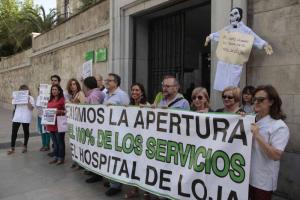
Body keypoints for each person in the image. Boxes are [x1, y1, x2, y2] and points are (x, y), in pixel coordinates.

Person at [249, 85, 290, 200]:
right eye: (254, 99)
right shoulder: (250, 120)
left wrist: (258, 136)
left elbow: (276, 155)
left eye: (261, 100)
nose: (256, 102)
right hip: (245, 177)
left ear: (271, 102)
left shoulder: (279, 126)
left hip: (262, 181)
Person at [103, 73, 130, 196]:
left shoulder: (122, 95)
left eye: (109, 80)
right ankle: (111, 180)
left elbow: (128, 113)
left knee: (116, 157)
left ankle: (116, 185)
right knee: (109, 156)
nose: (106, 82)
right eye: (106, 80)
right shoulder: (106, 94)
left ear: (116, 83)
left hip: (118, 132)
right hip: (108, 131)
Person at [125, 83, 150, 199]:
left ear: (142, 92)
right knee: (133, 166)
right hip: (132, 141)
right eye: (133, 90)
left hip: (144, 142)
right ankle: (134, 189)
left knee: (144, 167)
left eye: (137, 90)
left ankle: (146, 192)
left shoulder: (147, 105)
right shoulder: (129, 105)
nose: (134, 92)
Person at [81, 76, 105, 183]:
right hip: (95, 129)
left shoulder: (94, 95)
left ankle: (97, 174)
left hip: (95, 130)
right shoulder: (97, 93)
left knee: (96, 151)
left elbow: (94, 114)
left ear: (86, 86)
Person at [8, 85, 35, 155]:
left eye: (24, 90)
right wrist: (14, 99)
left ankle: (25, 146)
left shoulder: (31, 98)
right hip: (17, 117)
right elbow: (15, 106)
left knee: (26, 132)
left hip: (25, 117)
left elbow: (31, 108)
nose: (22, 91)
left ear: (27, 91)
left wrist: (28, 101)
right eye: (21, 90)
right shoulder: (17, 96)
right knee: (14, 132)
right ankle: (12, 148)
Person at [47, 85, 66, 165]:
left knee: (60, 142)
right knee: (54, 142)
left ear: (59, 91)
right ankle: (55, 156)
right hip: (51, 124)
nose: (54, 91)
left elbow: (66, 111)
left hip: (59, 124)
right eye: (52, 89)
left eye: (55, 89)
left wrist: (60, 111)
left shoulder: (62, 100)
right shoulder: (50, 100)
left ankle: (61, 158)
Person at [36, 86, 50, 151]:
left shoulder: (48, 97)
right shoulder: (38, 97)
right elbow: (37, 106)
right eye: (39, 89)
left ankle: (47, 145)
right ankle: (43, 144)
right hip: (40, 116)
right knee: (42, 132)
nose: (40, 91)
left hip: (46, 116)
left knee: (47, 131)